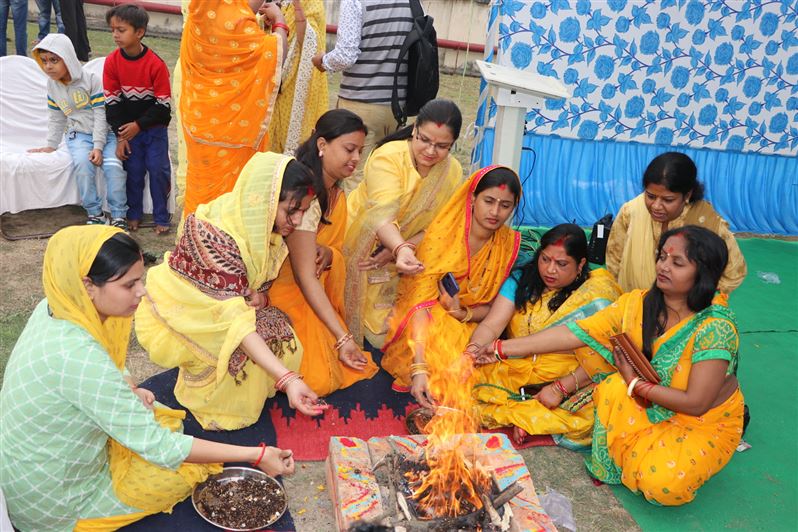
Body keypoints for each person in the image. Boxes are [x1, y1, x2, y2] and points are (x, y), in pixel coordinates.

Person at [0, 226, 296, 531]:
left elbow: (103, 362)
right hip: (56, 504)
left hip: (35, 468)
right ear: (88, 286)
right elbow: (161, 449)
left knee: (160, 418)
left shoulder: (57, 307)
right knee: (185, 469)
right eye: (129, 285)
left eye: (140, 279)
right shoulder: (78, 357)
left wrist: (127, 387)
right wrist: (255, 455)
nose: (141, 292)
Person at [472, 226, 744, 506]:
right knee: (611, 384)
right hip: (649, 400)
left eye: (677, 263)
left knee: (662, 486)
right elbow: (575, 332)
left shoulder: (715, 328)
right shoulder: (637, 303)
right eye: (662, 257)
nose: (663, 266)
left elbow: (696, 403)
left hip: (699, 421)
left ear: (704, 272)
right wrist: (499, 349)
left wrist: (634, 382)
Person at [135, 152, 329, 431]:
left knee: (280, 329)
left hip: (226, 310)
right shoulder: (215, 235)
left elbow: (254, 287)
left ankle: (240, 394)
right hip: (184, 315)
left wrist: (261, 298)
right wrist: (288, 380)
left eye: (303, 211)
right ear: (265, 200)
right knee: (245, 344)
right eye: (291, 210)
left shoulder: (257, 224)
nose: (297, 221)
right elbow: (234, 320)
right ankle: (211, 402)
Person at [466, 224, 622, 448]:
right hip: (516, 364)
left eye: (561, 264)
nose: (550, 270)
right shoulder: (524, 280)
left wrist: (561, 387)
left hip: (573, 373)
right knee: (472, 386)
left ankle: (529, 416)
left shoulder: (597, 293)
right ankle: (529, 415)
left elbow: (603, 354)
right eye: (545, 259)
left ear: (580, 265)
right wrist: (472, 351)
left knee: (599, 408)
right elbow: (492, 325)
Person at [381, 165, 522, 406]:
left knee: (488, 367)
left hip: (474, 325)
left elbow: (495, 308)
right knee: (446, 359)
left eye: (505, 205)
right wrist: (419, 367)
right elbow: (420, 302)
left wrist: (461, 312)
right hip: (425, 320)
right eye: (489, 201)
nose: (495, 212)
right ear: (473, 198)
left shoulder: (508, 245)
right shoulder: (443, 236)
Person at [269, 110, 379, 396]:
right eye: (349, 149)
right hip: (284, 290)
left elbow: (334, 248)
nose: (356, 158)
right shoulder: (304, 195)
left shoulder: (336, 194)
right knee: (317, 378)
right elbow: (304, 276)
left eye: (360, 151)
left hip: (313, 285)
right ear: (322, 145)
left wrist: (330, 254)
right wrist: (343, 339)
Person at [343, 99, 464, 349]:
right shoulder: (388, 157)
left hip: (409, 255)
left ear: (453, 145)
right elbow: (381, 216)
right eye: (424, 140)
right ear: (414, 130)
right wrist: (399, 248)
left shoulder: (452, 171)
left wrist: (403, 247)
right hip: (361, 244)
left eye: (442, 146)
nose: (430, 151)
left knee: (403, 335)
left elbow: (439, 226)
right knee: (369, 334)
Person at [175, 0, 289, 216]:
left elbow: (226, 40)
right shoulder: (235, 20)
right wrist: (280, 23)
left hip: (199, 117)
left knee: (200, 189)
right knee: (228, 203)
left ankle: (192, 239)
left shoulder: (202, 7)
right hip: (232, 130)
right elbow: (274, 55)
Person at [606, 151, 747, 293]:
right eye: (650, 196)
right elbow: (614, 258)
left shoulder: (707, 221)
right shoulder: (631, 211)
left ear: (687, 195)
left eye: (668, 200)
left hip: (685, 312)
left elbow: (734, 271)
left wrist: (698, 296)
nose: (656, 206)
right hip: (632, 306)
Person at [28, 34, 128, 228]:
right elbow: (56, 117)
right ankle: (95, 213)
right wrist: (51, 145)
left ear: (68, 58)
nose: (48, 66)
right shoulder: (52, 85)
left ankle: (118, 215)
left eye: (54, 60)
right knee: (83, 166)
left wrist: (98, 147)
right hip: (78, 136)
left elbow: (101, 114)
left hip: (105, 134)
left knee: (114, 168)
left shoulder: (91, 80)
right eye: (45, 61)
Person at [312, 0, 413, 191]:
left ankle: (349, 220)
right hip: (397, 106)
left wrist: (322, 61)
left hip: (359, 102)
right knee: (384, 177)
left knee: (352, 177)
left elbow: (345, 55)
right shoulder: (411, 2)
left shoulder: (355, 1)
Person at [104, 4, 172, 234]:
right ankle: (133, 214)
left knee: (157, 171)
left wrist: (138, 125)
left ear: (139, 32)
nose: (115, 35)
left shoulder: (156, 64)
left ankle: (162, 217)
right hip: (128, 132)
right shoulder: (112, 62)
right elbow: (112, 104)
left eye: (121, 30)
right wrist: (121, 136)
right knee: (133, 172)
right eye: (112, 30)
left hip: (154, 131)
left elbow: (163, 107)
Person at [268, 0, 328, 154]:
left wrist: (283, 15)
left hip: (297, 85)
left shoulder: (311, 2)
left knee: (296, 147)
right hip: (274, 85)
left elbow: (311, 42)